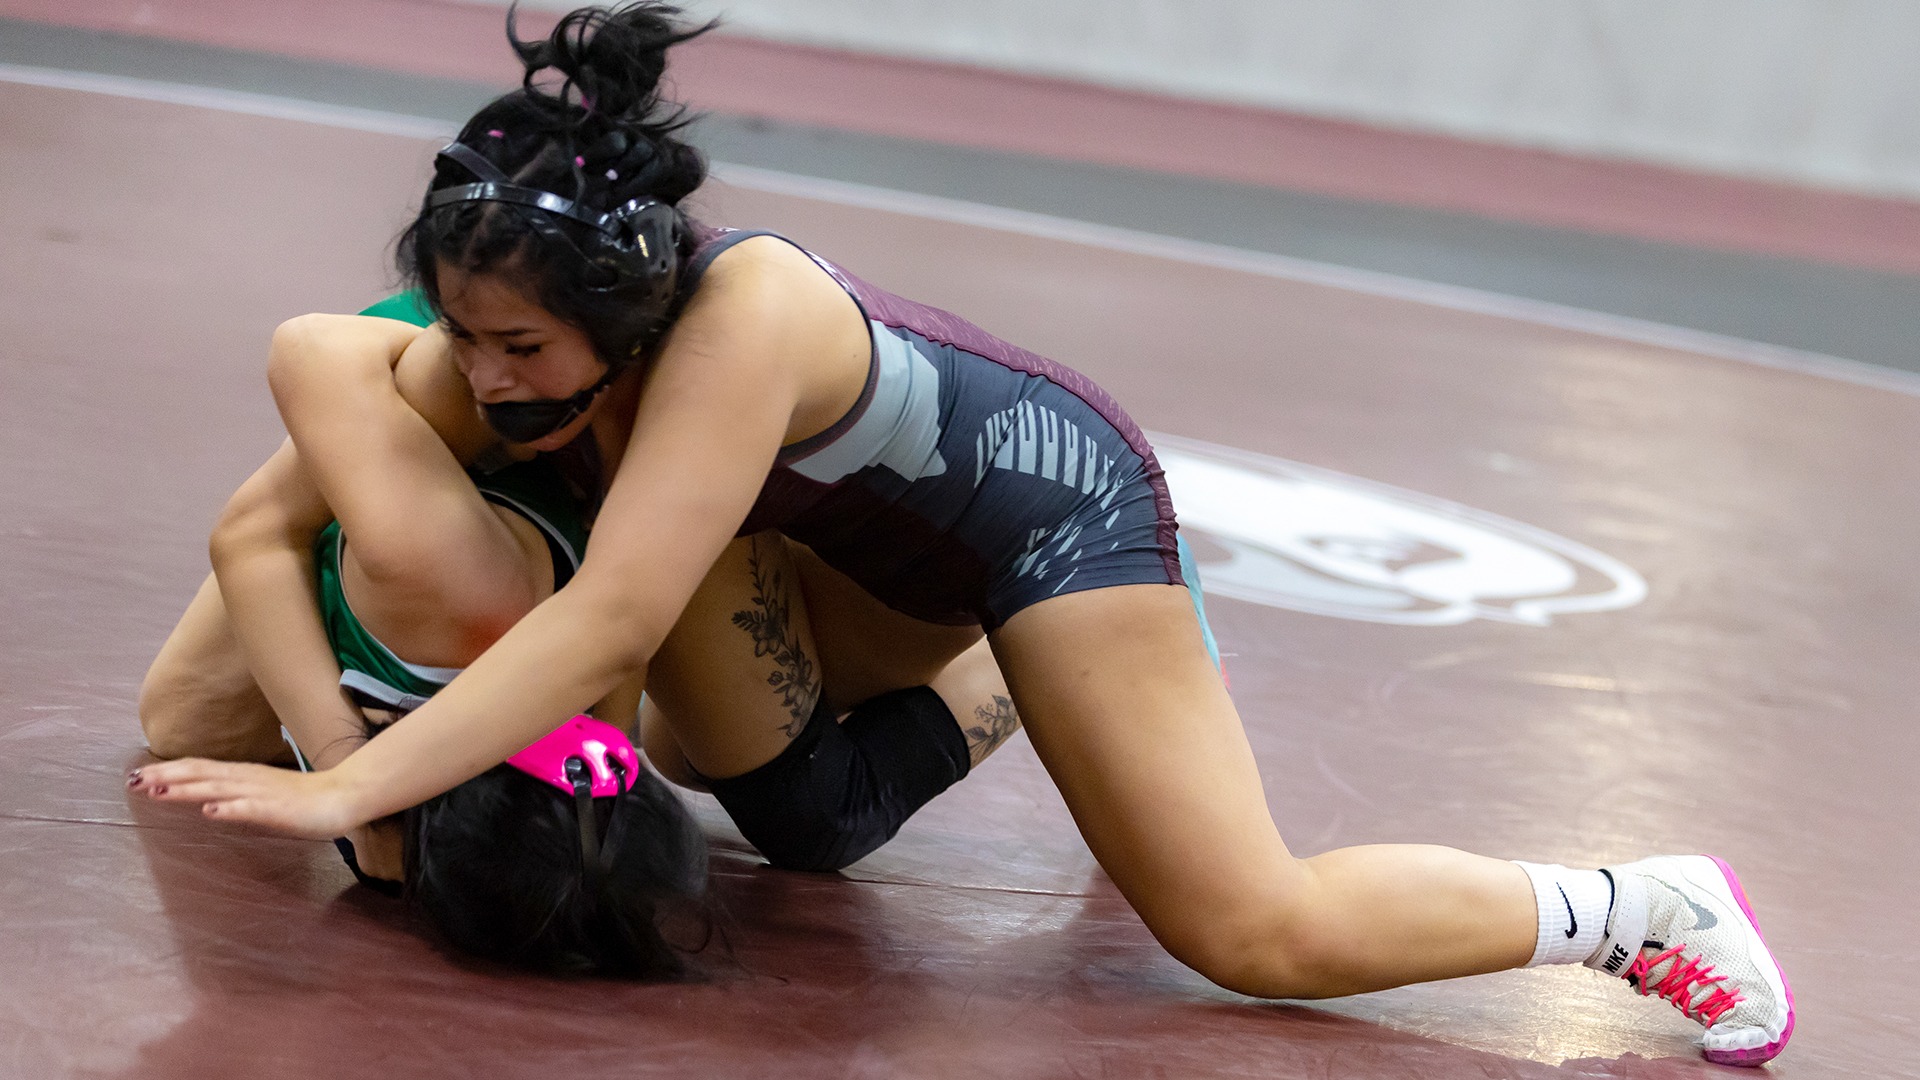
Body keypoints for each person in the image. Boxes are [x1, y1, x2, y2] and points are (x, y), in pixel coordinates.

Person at [132, 3, 1793, 1064]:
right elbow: (305, 476)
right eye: (461, 336)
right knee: (797, 818)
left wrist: (349, 788)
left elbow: (609, 623)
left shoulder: (738, 323)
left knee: (1249, 931)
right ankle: (979, 691)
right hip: (843, 550)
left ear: (620, 320)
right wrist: (329, 743)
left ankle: (1639, 906)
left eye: (517, 350)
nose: (481, 380)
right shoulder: (520, 347)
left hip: (1053, 529)